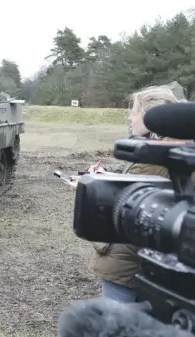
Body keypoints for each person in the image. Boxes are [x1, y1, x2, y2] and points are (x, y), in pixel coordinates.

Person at [67, 85, 180, 302]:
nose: (130, 116)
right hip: (142, 260)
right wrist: (106, 177)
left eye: (134, 111)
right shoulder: (169, 149)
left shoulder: (153, 159)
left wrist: (89, 192)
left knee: (118, 326)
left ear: (148, 117)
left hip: (128, 261)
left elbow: (118, 212)